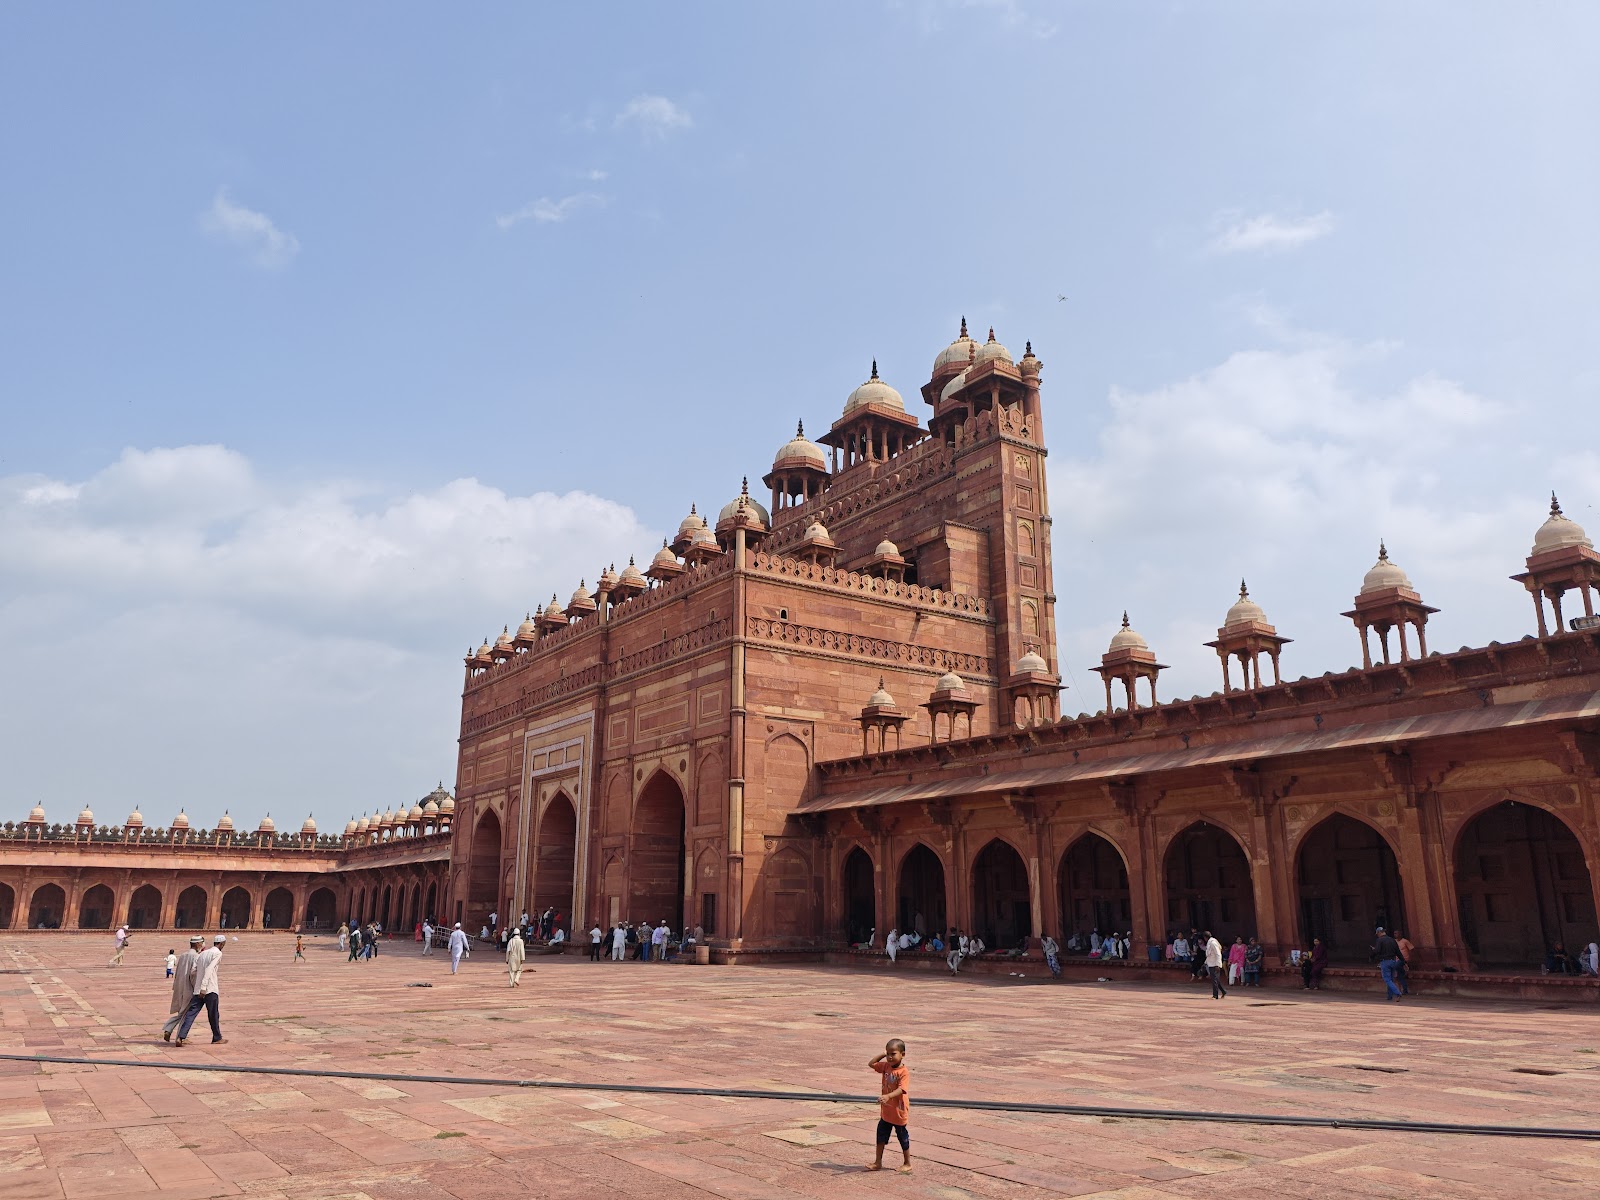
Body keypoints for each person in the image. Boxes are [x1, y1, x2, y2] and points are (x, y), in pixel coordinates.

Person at [866, 1039, 912, 1175]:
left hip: (898, 1111)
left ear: (902, 1054)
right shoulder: (886, 1066)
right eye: (888, 1054)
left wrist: (888, 1096)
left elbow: (902, 1089)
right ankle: (877, 1162)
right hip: (886, 1111)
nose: (890, 1057)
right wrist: (882, 1054)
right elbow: (871, 1064)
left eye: (893, 1054)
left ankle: (907, 1162)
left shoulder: (903, 1072)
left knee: (902, 1137)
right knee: (880, 1136)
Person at [174, 935, 227, 1046]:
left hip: (198, 990)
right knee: (213, 1014)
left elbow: (193, 971)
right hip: (209, 989)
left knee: (191, 1014)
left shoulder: (202, 953)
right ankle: (217, 1037)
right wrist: (204, 986)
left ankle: (180, 1036)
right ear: (222, 943)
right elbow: (209, 969)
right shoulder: (217, 953)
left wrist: (198, 985)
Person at [161, 936, 204, 1042]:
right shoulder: (196, 957)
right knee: (185, 1013)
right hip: (189, 988)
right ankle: (176, 1035)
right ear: (197, 944)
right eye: (201, 943)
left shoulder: (183, 955)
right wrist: (198, 988)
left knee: (182, 1011)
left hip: (179, 986)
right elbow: (193, 975)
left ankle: (170, 1030)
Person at [1373, 926, 1403, 1001]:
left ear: (1379, 933)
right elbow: (1398, 952)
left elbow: (1377, 951)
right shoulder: (1392, 940)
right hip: (1393, 961)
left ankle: (1397, 993)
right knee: (1391, 980)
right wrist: (1403, 961)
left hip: (1385, 961)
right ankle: (1389, 996)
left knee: (1387, 979)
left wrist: (1373, 951)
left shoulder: (1380, 940)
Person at [1204, 930, 1228, 999]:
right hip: (1210, 962)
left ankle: (1215, 995)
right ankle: (1223, 991)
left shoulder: (1213, 943)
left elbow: (1218, 954)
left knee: (1214, 979)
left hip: (1215, 963)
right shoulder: (1210, 942)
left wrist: (1218, 964)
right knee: (1216, 979)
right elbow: (1209, 954)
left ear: (1205, 937)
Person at [1394, 930, 1414, 995]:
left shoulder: (1405, 941)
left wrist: (1410, 959)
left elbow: (1411, 949)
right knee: (1400, 976)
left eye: (1397, 933)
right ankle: (1404, 990)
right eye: (1394, 933)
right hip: (1397, 959)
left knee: (1396, 968)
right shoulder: (1394, 942)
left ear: (1400, 934)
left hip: (1403, 959)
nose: (1395, 935)